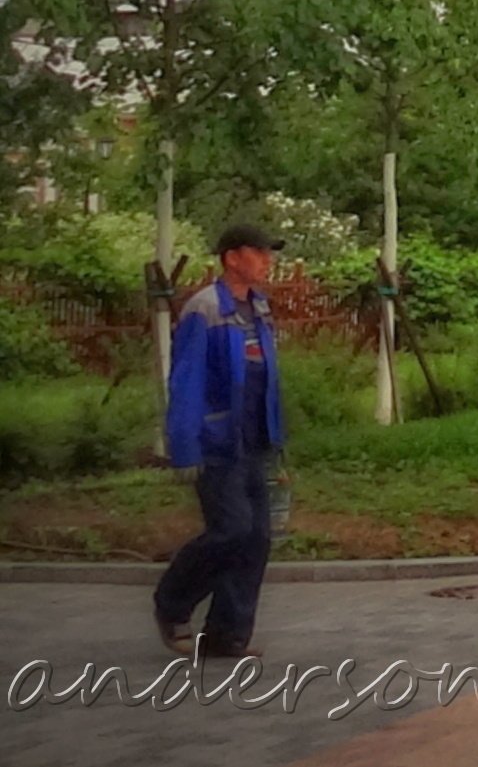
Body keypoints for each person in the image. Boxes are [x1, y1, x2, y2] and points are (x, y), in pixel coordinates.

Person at [155, 223, 286, 657]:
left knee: (257, 537)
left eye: (270, 253)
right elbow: (187, 381)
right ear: (232, 257)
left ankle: (227, 634)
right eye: (260, 252)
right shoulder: (205, 309)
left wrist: (275, 437)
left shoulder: (260, 309)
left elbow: (264, 381)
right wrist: (184, 445)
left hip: (254, 441)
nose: (268, 260)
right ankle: (171, 603)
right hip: (216, 442)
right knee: (231, 529)